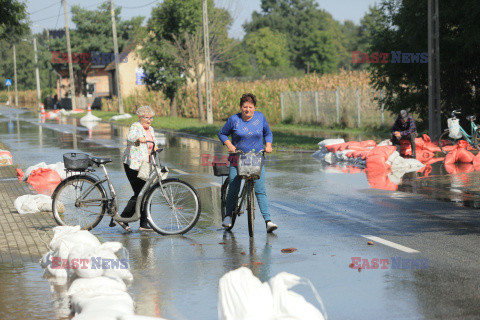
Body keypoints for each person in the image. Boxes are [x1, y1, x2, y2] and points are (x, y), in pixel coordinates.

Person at [218, 93, 278, 233]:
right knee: (233, 185)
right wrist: (229, 145)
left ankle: (268, 221)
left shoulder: (260, 117)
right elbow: (222, 133)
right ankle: (227, 216)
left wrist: (268, 145)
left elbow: (268, 133)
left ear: (254, 108)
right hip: (237, 157)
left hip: (256, 158)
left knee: (260, 190)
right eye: (245, 107)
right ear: (241, 107)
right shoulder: (234, 119)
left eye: (250, 107)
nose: (247, 110)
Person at [116, 105, 157, 232]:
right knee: (140, 193)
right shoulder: (136, 126)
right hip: (133, 165)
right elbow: (130, 137)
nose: (149, 120)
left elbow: (152, 143)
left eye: (151, 118)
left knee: (147, 193)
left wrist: (155, 148)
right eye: (146, 118)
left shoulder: (151, 129)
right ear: (140, 117)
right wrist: (138, 139)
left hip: (145, 166)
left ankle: (144, 224)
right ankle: (123, 217)